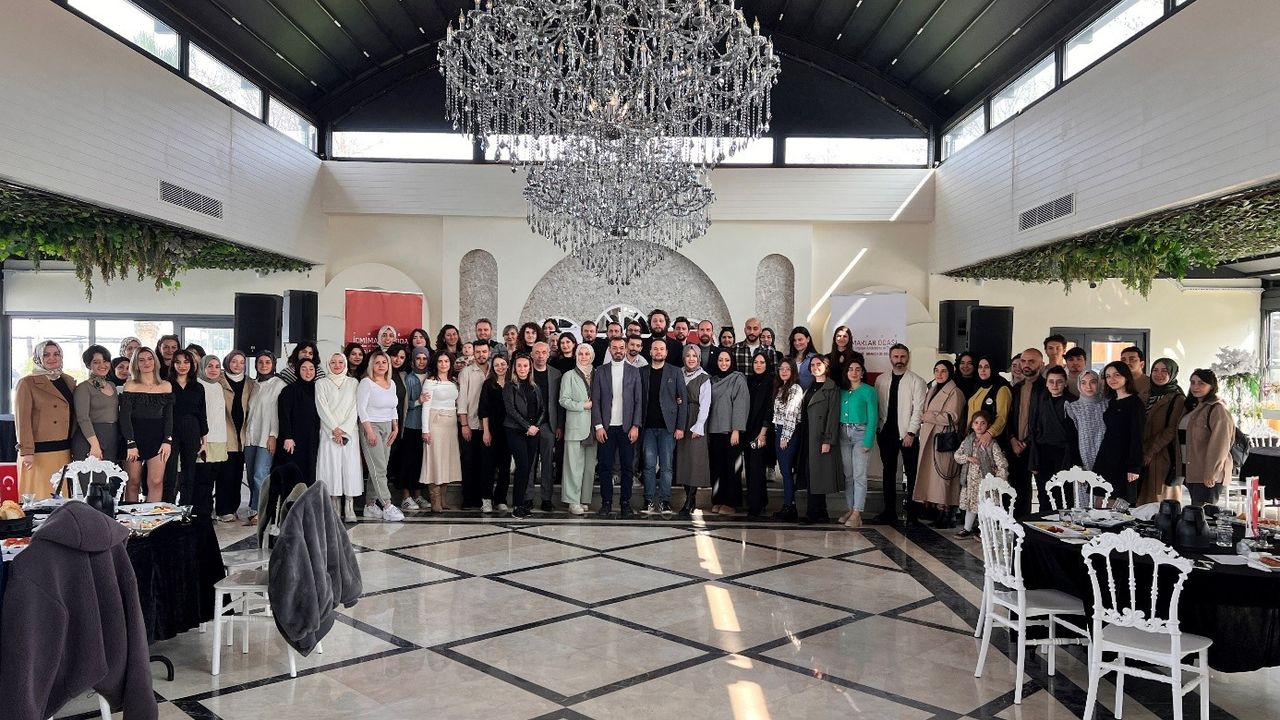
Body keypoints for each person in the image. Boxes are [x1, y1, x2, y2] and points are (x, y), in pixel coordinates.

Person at [15, 341, 77, 500]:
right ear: (38, 358)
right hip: (38, 452)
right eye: (46, 354)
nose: (52, 358)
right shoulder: (27, 383)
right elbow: (22, 420)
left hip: (64, 450)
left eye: (56, 354)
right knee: (39, 498)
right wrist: (26, 451)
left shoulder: (68, 381)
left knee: (61, 499)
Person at [591, 337, 644, 517]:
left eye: (622, 347)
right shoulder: (600, 371)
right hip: (606, 428)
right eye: (615, 348)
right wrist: (598, 426)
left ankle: (625, 503)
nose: (619, 350)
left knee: (627, 467)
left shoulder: (634, 372)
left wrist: (635, 425)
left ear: (626, 349)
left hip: (627, 427)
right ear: (610, 350)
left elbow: (638, 401)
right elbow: (596, 400)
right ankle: (606, 503)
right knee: (605, 467)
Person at [875, 344, 926, 526]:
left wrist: (911, 433)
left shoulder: (917, 381)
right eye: (896, 356)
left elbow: (918, 410)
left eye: (902, 356)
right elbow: (878, 405)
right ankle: (889, 511)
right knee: (888, 472)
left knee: (912, 474)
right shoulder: (881, 380)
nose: (899, 360)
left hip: (907, 434)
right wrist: (878, 429)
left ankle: (912, 514)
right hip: (886, 433)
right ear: (890, 358)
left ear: (908, 358)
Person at [913, 360, 965, 528]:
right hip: (930, 438)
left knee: (944, 477)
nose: (939, 374)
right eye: (937, 370)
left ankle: (947, 513)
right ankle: (937, 511)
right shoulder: (933, 389)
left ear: (950, 373)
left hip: (943, 439)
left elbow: (952, 417)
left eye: (943, 371)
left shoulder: (955, 392)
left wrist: (927, 416)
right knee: (933, 478)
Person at [639, 339, 687, 517]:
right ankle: (649, 500)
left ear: (666, 352)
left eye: (661, 349)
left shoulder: (675, 372)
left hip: (668, 428)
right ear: (650, 352)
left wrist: (680, 427)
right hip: (647, 427)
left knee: (666, 467)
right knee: (649, 466)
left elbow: (683, 402)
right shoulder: (642, 372)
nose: (658, 352)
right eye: (655, 349)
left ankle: (665, 501)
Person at [118, 347, 172, 502]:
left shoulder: (166, 386)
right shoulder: (130, 385)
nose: (146, 363)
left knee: (156, 481)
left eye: (149, 359)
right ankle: (130, 517)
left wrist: (167, 440)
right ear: (136, 364)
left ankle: (152, 517)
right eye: (141, 360)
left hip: (158, 439)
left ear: (155, 361)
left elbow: (169, 417)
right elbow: (125, 418)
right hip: (133, 439)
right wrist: (130, 443)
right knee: (133, 482)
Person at [356, 350, 403, 521]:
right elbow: (361, 408)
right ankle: (387, 504)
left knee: (378, 467)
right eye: (377, 363)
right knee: (380, 468)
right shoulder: (366, 383)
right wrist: (369, 431)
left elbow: (393, 407)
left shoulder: (391, 383)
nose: (381, 365)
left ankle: (370, 505)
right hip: (371, 426)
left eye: (384, 362)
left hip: (387, 427)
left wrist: (395, 427)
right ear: (372, 365)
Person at [317, 353, 364, 521]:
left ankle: (349, 506)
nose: (337, 365)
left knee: (350, 468)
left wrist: (343, 430)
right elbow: (322, 407)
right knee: (331, 468)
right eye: (333, 362)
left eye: (340, 362)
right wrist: (334, 430)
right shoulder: (321, 383)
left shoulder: (353, 383)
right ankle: (334, 505)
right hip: (328, 433)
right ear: (328, 364)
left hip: (349, 432)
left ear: (345, 364)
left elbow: (355, 408)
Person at [1179, 369, 1235, 506]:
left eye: (1201, 383)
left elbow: (1220, 444)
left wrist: (1212, 472)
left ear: (1211, 386)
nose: (1195, 387)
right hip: (1192, 470)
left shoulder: (1217, 409)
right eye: (1192, 382)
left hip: (1207, 473)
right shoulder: (1192, 407)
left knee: (1203, 513)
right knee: (1194, 511)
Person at [1095, 361, 1146, 506]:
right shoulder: (1112, 401)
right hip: (1106, 458)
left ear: (1126, 376)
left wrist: (1134, 467)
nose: (1112, 379)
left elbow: (1137, 437)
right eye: (1108, 376)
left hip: (1124, 461)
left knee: (1116, 506)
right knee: (1099, 503)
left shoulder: (1135, 404)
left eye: (1117, 375)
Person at [214, 350, 256, 521]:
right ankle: (223, 510)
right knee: (224, 473)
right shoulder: (219, 380)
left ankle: (233, 507)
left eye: (241, 362)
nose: (237, 365)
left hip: (243, 434)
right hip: (224, 432)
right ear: (227, 362)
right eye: (234, 361)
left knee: (237, 473)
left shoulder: (250, 383)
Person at [243, 350, 283, 525]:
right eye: (260, 362)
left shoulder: (278, 384)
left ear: (273, 364)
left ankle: (261, 510)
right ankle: (254, 507)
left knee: (261, 474)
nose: (264, 365)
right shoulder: (254, 385)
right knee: (251, 474)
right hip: (251, 437)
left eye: (268, 362)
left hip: (267, 437)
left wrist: (273, 435)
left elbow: (278, 413)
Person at [955, 411, 1010, 538]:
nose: (979, 426)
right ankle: (967, 528)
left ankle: (984, 530)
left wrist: (1000, 478)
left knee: (986, 506)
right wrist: (968, 458)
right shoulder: (968, 441)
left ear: (988, 426)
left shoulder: (991, 444)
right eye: (976, 423)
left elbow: (1001, 463)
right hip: (971, 482)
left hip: (985, 482)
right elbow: (957, 455)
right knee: (971, 505)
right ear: (972, 425)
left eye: (983, 423)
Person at [503, 354, 546, 518]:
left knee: (528, 468)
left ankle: (522, 504)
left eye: (525, 366)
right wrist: (527, 426)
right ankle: (517, 506)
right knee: (522, 466)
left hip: (533, 431)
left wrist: (535, 427)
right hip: (515, 430)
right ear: (514, 368)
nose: (522, 369)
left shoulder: (535, 386)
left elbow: (542, 410)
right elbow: (511, 410)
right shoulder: (509, 386)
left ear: (530, 368)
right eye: (519, 366)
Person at [707, 348, 748, 515]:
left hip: (731, 432)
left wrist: (736, 429)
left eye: (727, 360)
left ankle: (730, 503)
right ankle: (718, 500)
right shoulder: (711, 380)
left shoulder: (738, 379)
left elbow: (740, 405)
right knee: (717, 467)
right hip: (714, 430)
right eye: (720, 360)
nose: (723, 363)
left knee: (732, 468)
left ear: (732, 362)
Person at [559, 344, 598, 515]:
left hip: (594, 426)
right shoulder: (569, 375)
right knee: (573, 466)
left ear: (592, 356)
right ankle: (572, 501)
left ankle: (584, 499)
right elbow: (563, 400)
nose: (583, 357)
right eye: (580, 353)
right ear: (576, 356)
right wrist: (582, 405)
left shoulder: (598, 374)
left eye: (587, 354)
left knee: (589, 467)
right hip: (576, 426)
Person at [838, 357, 877, 528]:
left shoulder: (869, 391)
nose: (853, 372)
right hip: (843, 434)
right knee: (848, 475)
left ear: (862, 373)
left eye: (857, 369)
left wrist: (868, 441)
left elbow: (873, 417)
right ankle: (850, 508)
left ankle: (857, 512)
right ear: (846, 373)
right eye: (850, 369)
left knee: (859, 475)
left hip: (861, 433)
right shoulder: (842, 392)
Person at [802, 354, 842, 524]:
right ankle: (820, 512)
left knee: (818, 475)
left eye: (819, 364)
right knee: (811, 474)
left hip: (820, 437)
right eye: (812, 365)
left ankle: (814, 512)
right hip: (808, 435)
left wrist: (828, 440)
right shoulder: (810, 386)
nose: (815, 367)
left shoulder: (832, 388)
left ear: (826, 366)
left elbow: (833, 416)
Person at [1006, 348, 1046, 518]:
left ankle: (1043, 530)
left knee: (1044, 492)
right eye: (1023, 361)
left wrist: (1026, 442)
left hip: (1038, 447)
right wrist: (1012, 439)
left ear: (1041, 364)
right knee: (1018, 490)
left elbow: (1044, 421)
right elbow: (1008, 417)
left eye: (1031, 361)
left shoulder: (1047, 387)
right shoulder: (1016, 388)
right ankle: (1019, 526)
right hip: (1016, 446)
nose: (1026, 365)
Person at [1142, 358, 1187, 504]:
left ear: (1172, 374)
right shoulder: (1146, 394)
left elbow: (1172, 428)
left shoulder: (1178, 398)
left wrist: (1151, 450)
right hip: (1143, 451)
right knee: (1144, 500)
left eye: (1164, 371)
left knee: (1162, 501)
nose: (1159, 374)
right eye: (1155, 370)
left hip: (1163, 454)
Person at [1030, 366, 1077, 506]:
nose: (1055, 385)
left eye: (1059, 381)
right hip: (1043, 452)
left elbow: (1075, 435)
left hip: (1064, 454)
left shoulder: (1073, 402)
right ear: (1046, 383)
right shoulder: (1041, 400)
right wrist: (1033, 460)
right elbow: (1034, 428)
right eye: (1051, 381)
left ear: (1066, 383)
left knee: (1064, 494)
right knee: (1044, 493)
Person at [421, 352, 462, 510]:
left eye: (446, 361)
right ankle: (435, 500)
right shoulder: (430, 382)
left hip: (451, 425)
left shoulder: (454, 381)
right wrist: (425, 430)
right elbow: (426, 407)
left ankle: (443, 499)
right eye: (440, 361)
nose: (443, 364)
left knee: (447, 460)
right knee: (435, 459)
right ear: (436, 363)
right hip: (435, 423)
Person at [674, 345, 712, 516]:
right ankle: (689, 498)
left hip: (695, 420)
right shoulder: (678, 373)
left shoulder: (704, 378)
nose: (691, 359)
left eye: (694, 356)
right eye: (688, 355)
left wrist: (699, 426)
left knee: (695, 460)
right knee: (683, 460)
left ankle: (690, 499)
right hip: (681, 419)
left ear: (699, 359)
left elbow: (705, 404)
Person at [166, 350, 207, 505]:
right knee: (169, 473)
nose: (182, 366)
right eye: (178, 362)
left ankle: (186, 509)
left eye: (186, 362)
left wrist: (205, 441)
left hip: (192, 430)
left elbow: (202, 414)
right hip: (170, 431)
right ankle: (167, 508)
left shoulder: (198, 387)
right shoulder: (166, 385)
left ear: (192, 364)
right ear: (173, 364)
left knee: (189, 472)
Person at [191, 355, 229, 519]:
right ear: (202, 367)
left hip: (220, 438)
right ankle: (201, 513)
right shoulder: (197, 385)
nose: (214, 370)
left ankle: (208, 511)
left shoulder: (219, 386)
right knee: (202, 479)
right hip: (204, 439)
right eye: (210, 366)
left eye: (217, 366)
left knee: (212, 477)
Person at [396, 347, 433, 514]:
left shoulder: (431, 377)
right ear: (413, 360)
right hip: (410, 426)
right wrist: (419, 401)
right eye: (418, 358)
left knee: (420, 462)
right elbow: (404, 404)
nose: (421, 362)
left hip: (426, 427)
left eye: (424, 358)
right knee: (407, 462)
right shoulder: (409, 378)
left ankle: (418, 495)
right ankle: (406, 496)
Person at [275, 357, 320, 486]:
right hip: (294, 440)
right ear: (298, 371)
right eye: (304, 369)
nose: (308, 372)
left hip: (312, 439)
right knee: (295, 473)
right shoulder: (289, 390)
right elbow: (284, 415)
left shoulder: (318, 389)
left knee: (311, 471)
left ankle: (308, 498)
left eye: (311, 369)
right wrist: (287, 437)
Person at [456, 342, 491, 510]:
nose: (481, 355)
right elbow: (462, 400)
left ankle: (483, 498)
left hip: (489, 426)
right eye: (478, 352)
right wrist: (464, 424)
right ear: (473, 353)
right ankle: (468, 499)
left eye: (484, 351)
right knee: (469, 461)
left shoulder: (494, 370)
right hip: (470, 423)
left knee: (485, 463)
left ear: (489, 352)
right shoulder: (466, 372)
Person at [770, 359, 806, 521]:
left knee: (787, 472)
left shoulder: (795, 388)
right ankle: (788, 505)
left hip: (788, 432)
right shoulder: (781, 388)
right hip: (779, 430)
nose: (784, 371)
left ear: (793, 371)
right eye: (781, 369)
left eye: (787, 369)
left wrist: (785, 436)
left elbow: (791, 414)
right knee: (784, 472)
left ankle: (790, 507)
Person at [72, 345, 120, 463]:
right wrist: (94, 445)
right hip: (90, 439)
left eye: (105, 361)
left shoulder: (112, 385)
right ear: (89, 365)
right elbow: (83, 418)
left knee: (110, 474)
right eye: (96, 362)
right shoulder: (83, 387)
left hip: (111, 437)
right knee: (91, 474)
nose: (102, 365)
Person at [530, 342, 563, 512]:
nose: (540, 355)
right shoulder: (525, 371)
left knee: (548, 463)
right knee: (529, 463)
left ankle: (546, 499)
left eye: (544, 352)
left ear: (548, 354)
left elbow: (559, 402)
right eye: (537, 352)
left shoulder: (556, 374)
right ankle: (527, 498)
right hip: (529, 425)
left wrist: (559, 426)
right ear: (532, 354)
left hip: (549, 425)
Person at [477, 354, 513, 513]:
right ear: (493, 367)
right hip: (491, 430)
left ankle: (500, 499)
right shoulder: (488, 384)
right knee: (487, 466)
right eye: (497, 365)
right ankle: (486, 499)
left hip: (509, 431)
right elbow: (483, 410)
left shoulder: (513, 384)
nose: (500, 367)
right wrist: (486, 431)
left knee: (505, 467)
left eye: (503, 364)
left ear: (508, 365)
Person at [1066, 371, 1107, 507]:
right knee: (1085, 505)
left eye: (1093, 382)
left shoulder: (1108, 405)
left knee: (1105, 504)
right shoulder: (1073, 407)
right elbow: (1072, 439)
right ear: (1079, 385)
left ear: (1099, 383)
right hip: (1084, 461)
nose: (1088, 386)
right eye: (1083, 383)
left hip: (1106, 459)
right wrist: (1077, 467)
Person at [743, 352, 775, 519]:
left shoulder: (771, 383)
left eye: (762, 362)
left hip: (761, 432)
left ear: (767, 364)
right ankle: (760, 501)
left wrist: (763, 433)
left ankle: (755, 506)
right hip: (748, 431)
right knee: (750, 466)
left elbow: (770, 408)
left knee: (756, 467)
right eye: (756, 362)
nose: (758, 365)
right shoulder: (750, 381)